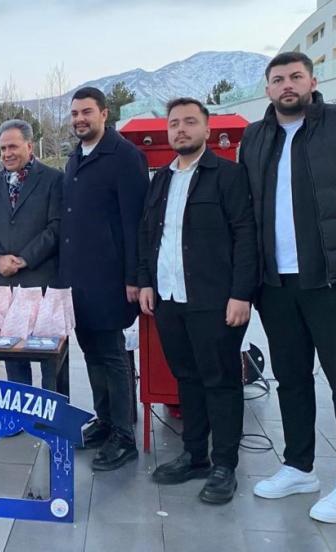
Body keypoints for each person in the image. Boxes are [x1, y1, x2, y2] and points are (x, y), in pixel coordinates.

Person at [239, 52, 336, 523]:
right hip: (276, 283)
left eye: (295, 77)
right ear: (268, 88)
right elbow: (247, 213)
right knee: (291, 379)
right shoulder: (255, 136)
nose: (287, 85)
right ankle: (298, 466)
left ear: (312, 81)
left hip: (334, 280)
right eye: (278, 79)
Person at [138, 98, 258, 504]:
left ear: (207, 129)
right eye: (174, 123)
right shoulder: (161, 179)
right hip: (169, 297)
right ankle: (194, 456)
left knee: (220, 381)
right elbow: (148, 235)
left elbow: (246, 236)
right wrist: (146, 282)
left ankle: (224, 464)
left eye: (190, 122)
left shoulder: (228, 175)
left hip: (215, 299)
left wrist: (241, 293)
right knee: (186, 379)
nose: (181, 129)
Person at [59, 87, 149, 471]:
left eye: (87, 112)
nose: (80, 119)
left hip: (112, 278)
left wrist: (134, 276)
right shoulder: (75, 158)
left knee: (113, 356)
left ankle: (124, 437)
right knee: (91, 352)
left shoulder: (125, 156)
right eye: (75, 113)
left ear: (104, 114)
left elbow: (136, 222)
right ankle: (105, 420)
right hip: (78, 280)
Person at [0, 119, 63, 392]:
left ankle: (53, 411)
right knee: (13, 357)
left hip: (43, 281)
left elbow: (57, 226)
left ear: (29, 146)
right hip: (6, 284)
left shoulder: (53, 179)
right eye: (3, 148)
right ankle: (21, 408)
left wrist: (25, 259)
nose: (7, 153)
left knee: (51, 361)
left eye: (13, 146)